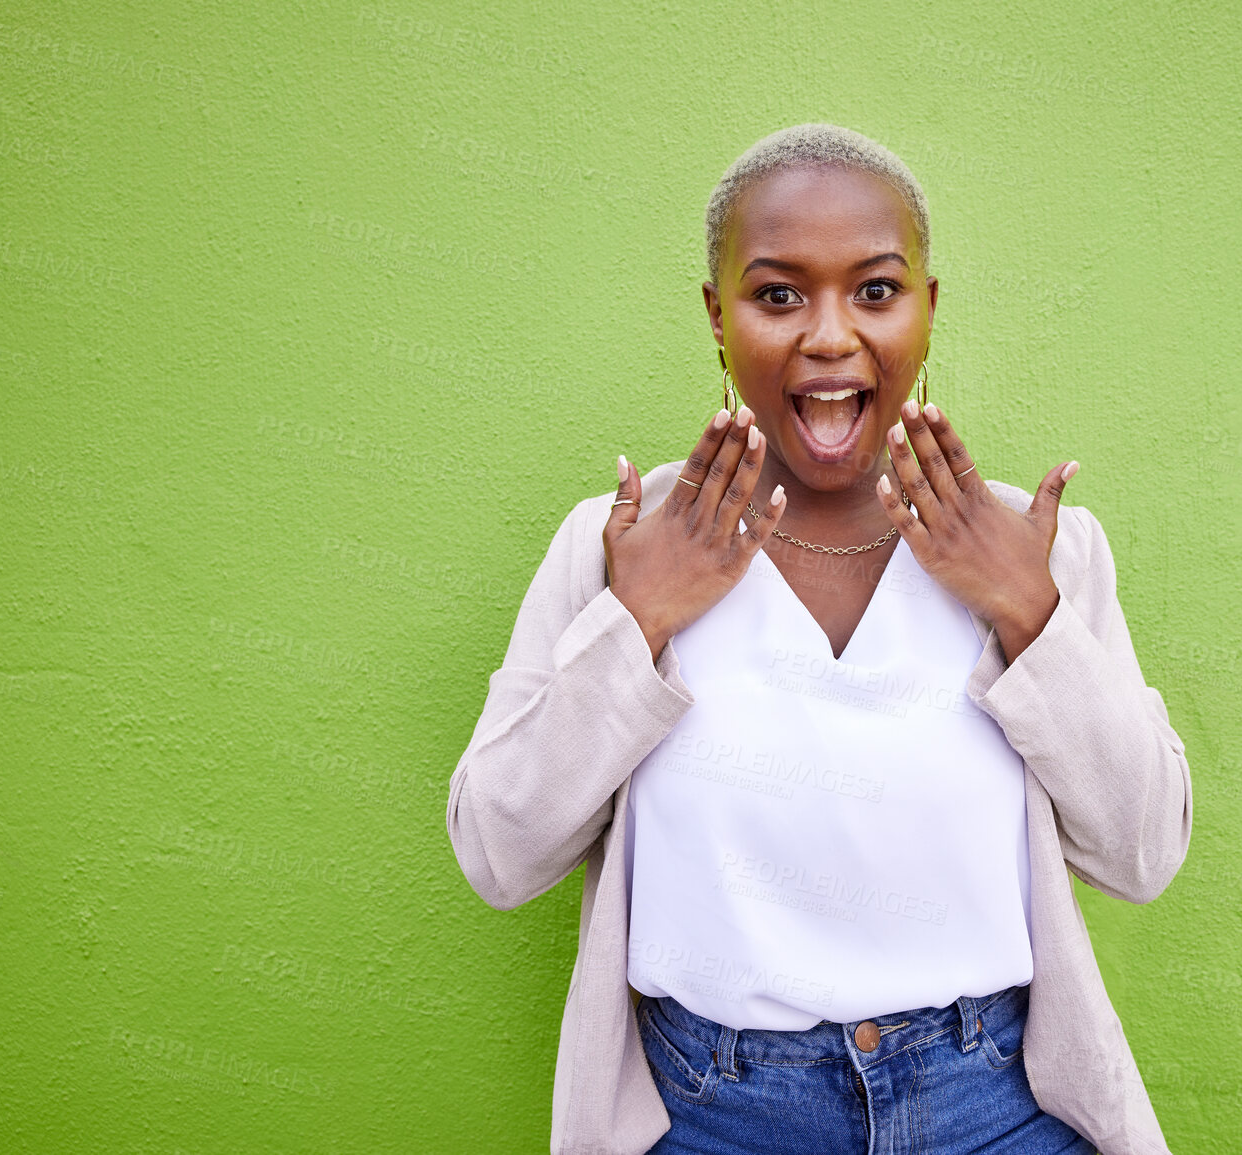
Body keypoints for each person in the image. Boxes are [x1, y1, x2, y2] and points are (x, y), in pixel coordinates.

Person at [446, 123, 1193, 1155]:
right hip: (713, 1113)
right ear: (718, 316)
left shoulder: (1038, 551)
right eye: (779, 294)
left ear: (929, 311)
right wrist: (638, 621)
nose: (831, 334)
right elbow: (498, 854)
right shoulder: (619, 544)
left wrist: (1034, 617)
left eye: (877, 291)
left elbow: (1144, 853)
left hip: (991, 1108)